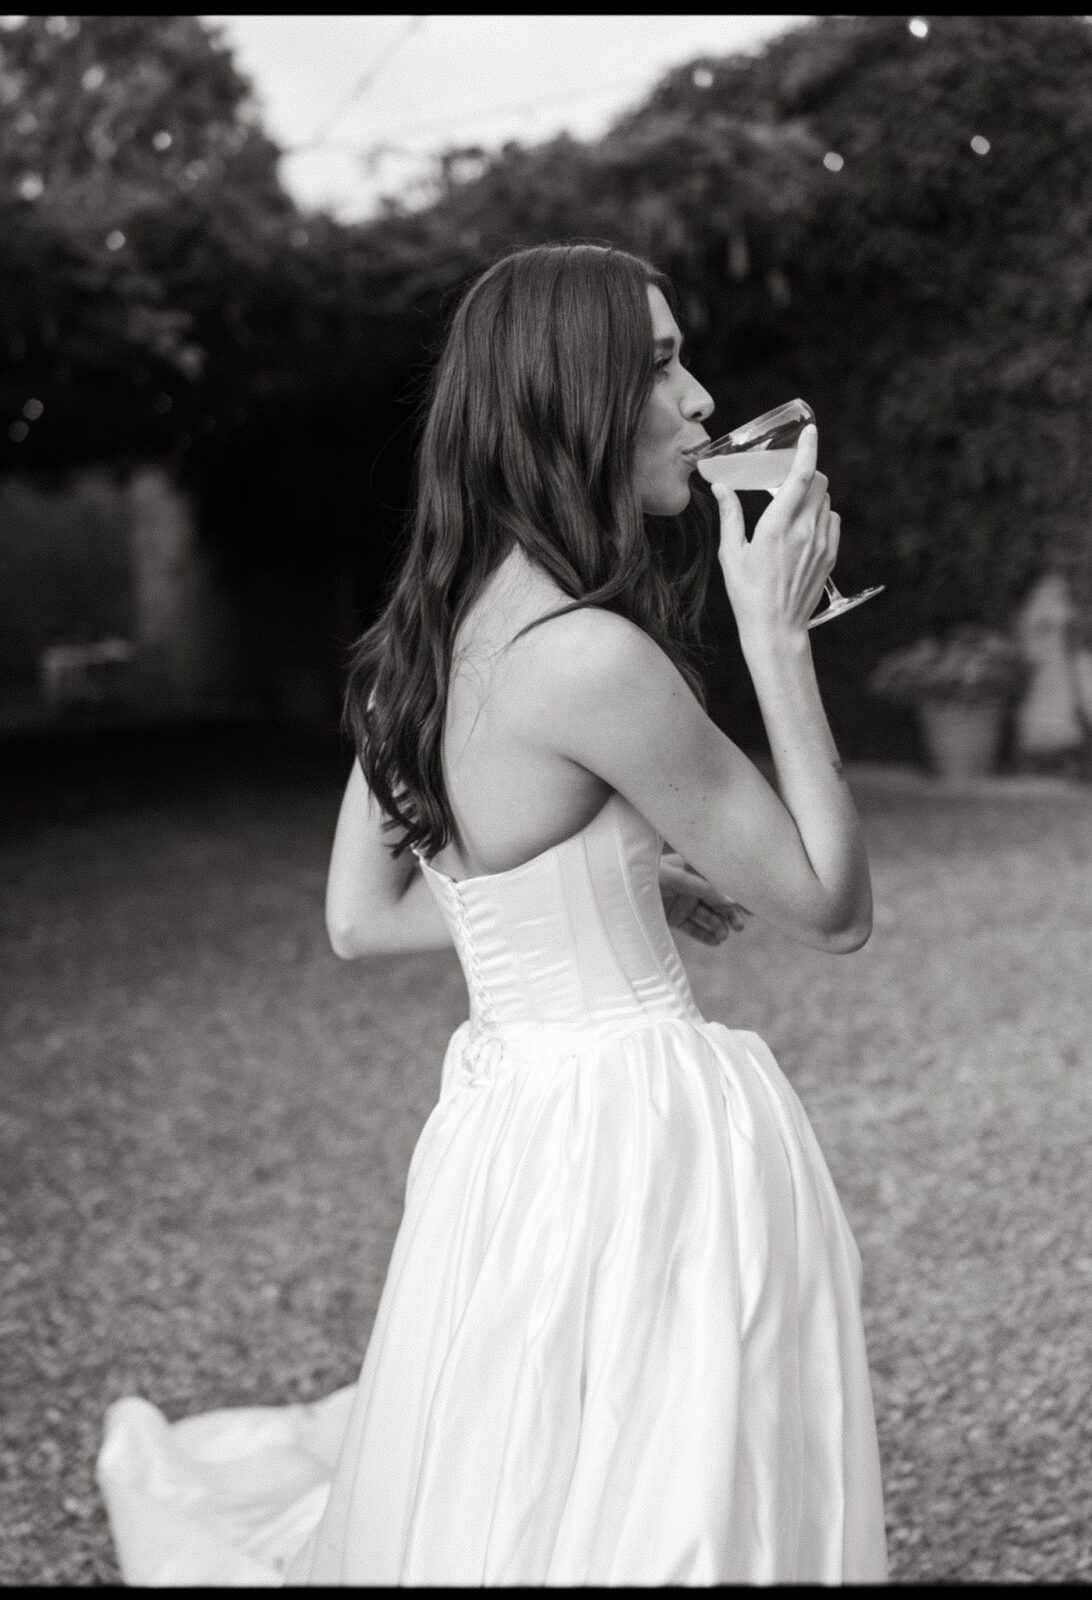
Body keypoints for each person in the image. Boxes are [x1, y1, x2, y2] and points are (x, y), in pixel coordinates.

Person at [96, 241, 888, 1585]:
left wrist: (630, 885)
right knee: (657, 1479)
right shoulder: (595, 660)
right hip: (638, 1133)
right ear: (565, 405)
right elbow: (831, 908)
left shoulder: (433, 626)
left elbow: (362, 915)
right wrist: (778, 640)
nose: (701, 401)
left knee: (532, 1467)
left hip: (508, 1126)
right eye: (657, 366)